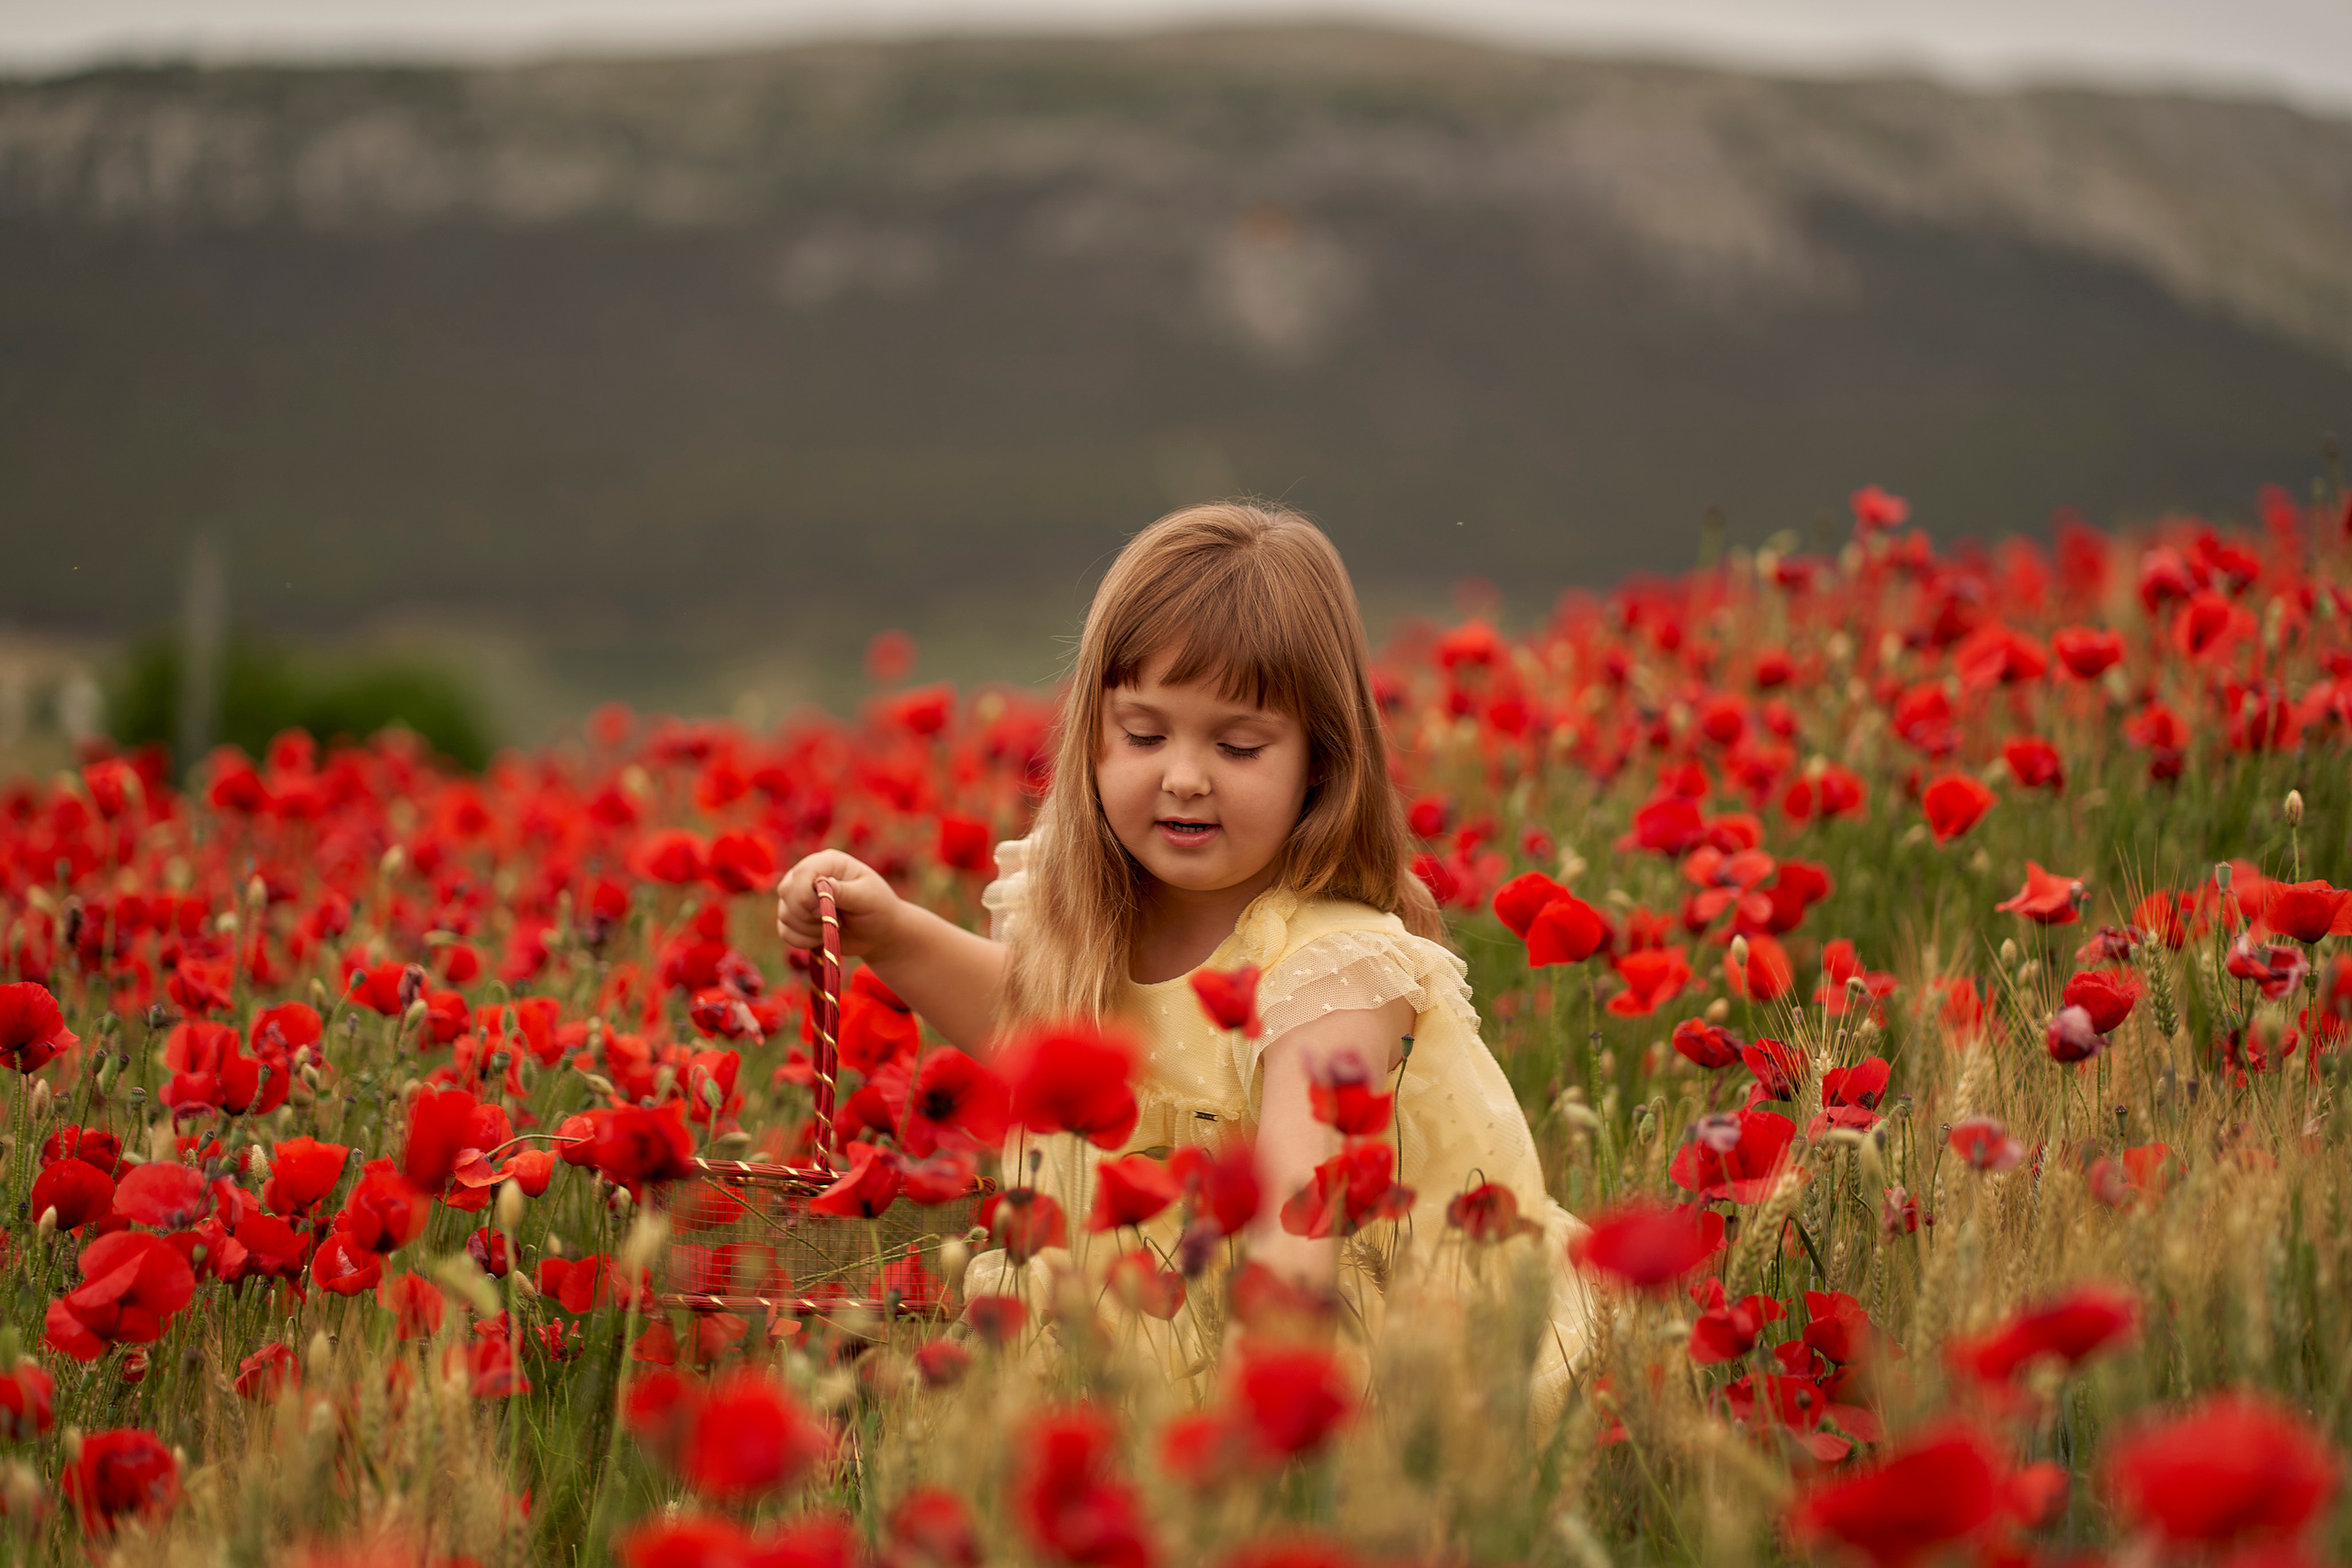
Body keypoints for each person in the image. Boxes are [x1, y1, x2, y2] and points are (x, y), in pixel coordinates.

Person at [776, 502, 1590, 1412]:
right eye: (1144, 733)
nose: (1184, 776)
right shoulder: (1091, 906)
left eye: (1237, 745)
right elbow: (1036, 1032)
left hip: (1341, 1350)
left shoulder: (1333, 971)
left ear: (1319, 762)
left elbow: (1296, 1233)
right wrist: (892, 933)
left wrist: (1246, 1432)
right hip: (1146, 1328)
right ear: (1092, 731)